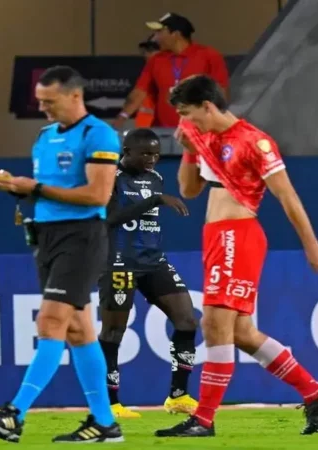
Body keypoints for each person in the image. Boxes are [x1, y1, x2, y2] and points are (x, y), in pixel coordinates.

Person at [154, 75, 318, 437]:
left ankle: (203, 419)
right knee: (241, 332)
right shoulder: (204, 137)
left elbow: (287, 197)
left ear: (207, 106)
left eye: (187, 113)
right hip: (215, 236)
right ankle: (315, 393)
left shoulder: (254, 142)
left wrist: (311, 244)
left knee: (213, 325)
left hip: (237, 236)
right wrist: (190, 149)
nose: (184, 122)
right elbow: (190, 191)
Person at [0, 66, 124, 443]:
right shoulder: (43, 137)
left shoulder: (98, 134)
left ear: (75, 96)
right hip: (46, 237)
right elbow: (46, 191)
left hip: (82, 237)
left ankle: (14, 413)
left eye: (49, 102)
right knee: (77, 329)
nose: (43, 109)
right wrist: (14, 187)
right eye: (40, 102)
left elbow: (97, 195)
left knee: (51, 321)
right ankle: (106, 423)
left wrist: (35, 187)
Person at [97, 128, 199, 419]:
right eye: (145, 154)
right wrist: (154, 202)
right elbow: (109, 219)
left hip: (153, 261)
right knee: (114, 331)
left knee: (187, 320)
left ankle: (178, 395)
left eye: (155, 154)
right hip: (118, 261)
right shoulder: (111, 178)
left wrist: (154, 201)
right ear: (126, 152)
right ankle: (110, 403)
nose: (152, 159)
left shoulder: (155, 178)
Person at [114, 13, 229, 129]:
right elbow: (139, 93)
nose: (155, 38)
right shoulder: (156, 60)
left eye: (159, 32)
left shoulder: (209, 56)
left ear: (176, 34)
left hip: (198, 131)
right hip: (163, 131)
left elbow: (220, 92)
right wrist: (121, 118)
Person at [134, 37, 161, 128]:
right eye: (146, 50)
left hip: (164, 129)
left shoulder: (168, 74)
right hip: (145, 128)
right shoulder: (146, 73)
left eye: (151, 50)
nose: (146, 54)